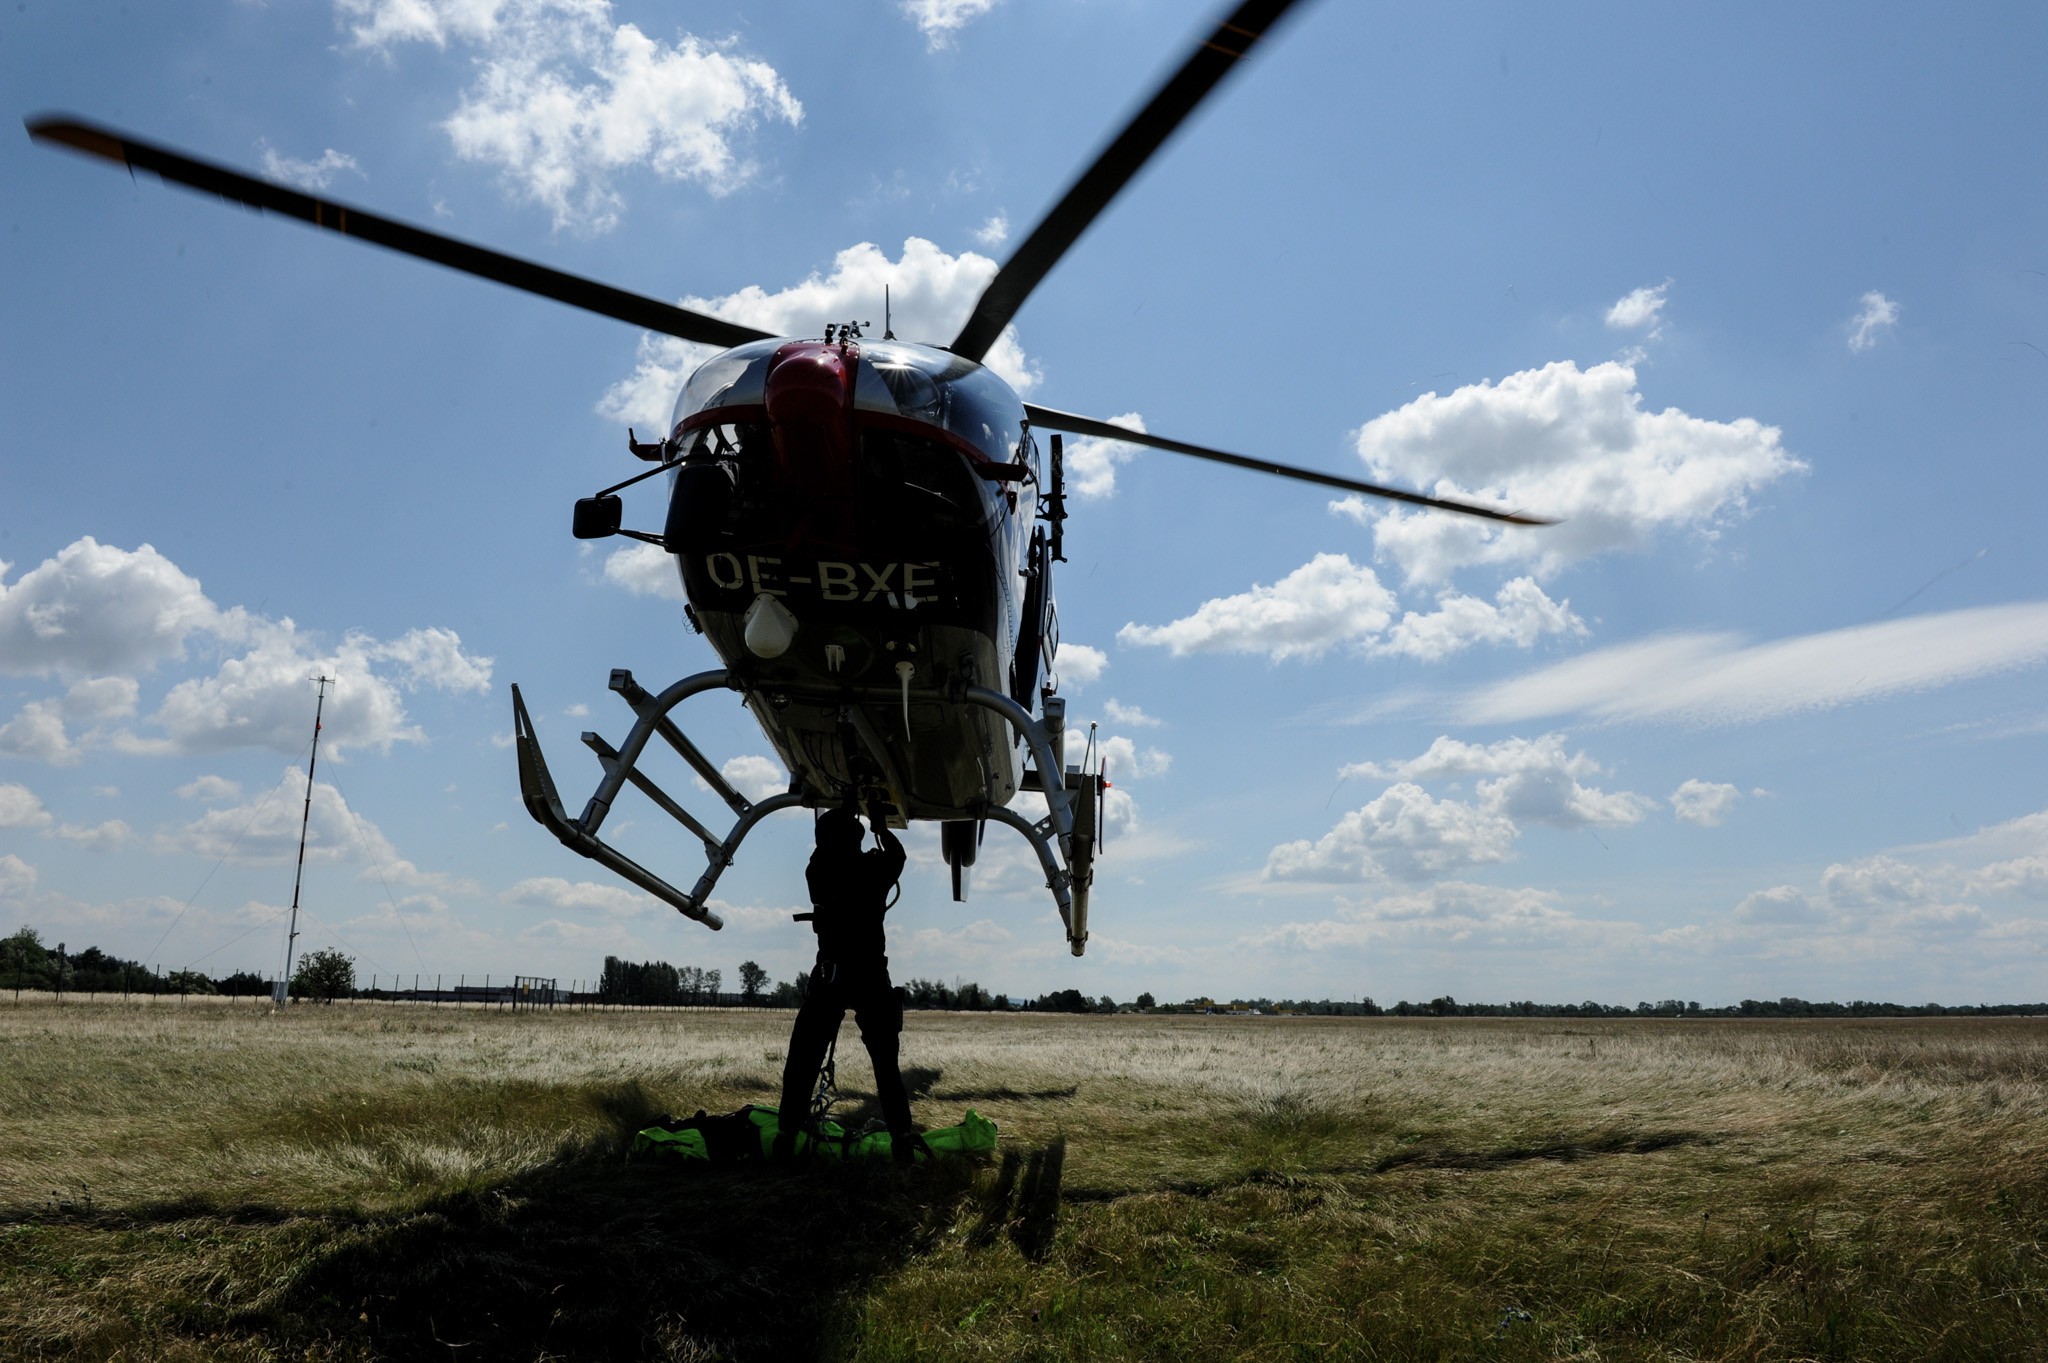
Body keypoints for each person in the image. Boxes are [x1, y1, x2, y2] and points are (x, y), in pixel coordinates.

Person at [774, 800, 924, 1161]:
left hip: (832, 975)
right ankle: (902, 1138)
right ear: (857, 839)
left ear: (824, 840)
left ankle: (786, 1136)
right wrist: (880, 826)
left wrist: (844, 809)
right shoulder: (874, 867)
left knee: (804, 1059)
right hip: (872, 975)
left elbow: (824, 854)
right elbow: (898, 857)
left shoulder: (819, 872)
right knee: (886, 1065)